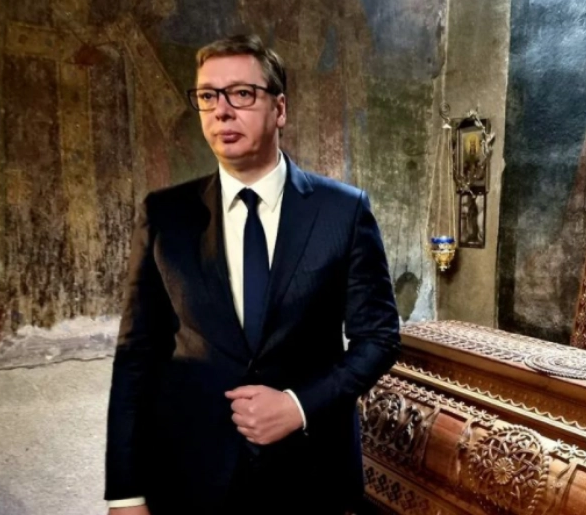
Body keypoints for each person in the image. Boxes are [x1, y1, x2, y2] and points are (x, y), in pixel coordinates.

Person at [103, 34, 401, 514]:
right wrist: (126, 491)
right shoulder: (164, 215)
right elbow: (136, 354)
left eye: (242, 93)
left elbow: (379, 338)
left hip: (309, 474)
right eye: (208, 96)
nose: (222, 111)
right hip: (188, 474)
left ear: (279, 109)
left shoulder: (342, 211)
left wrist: (298, 405)